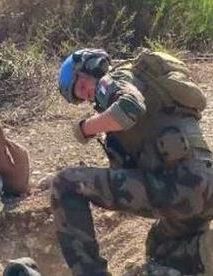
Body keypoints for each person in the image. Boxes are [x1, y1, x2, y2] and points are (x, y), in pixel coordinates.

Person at [51, 48, 213, 276]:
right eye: (81, 96)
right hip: (201, 190)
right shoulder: (144, 83)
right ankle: (203, 253)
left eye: (82, 86)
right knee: (159, 248)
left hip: (178, 184)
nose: (87, 95)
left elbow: (130, 108)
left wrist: (85, 128)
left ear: (91, 68)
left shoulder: (111, 80)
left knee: (66, 183)